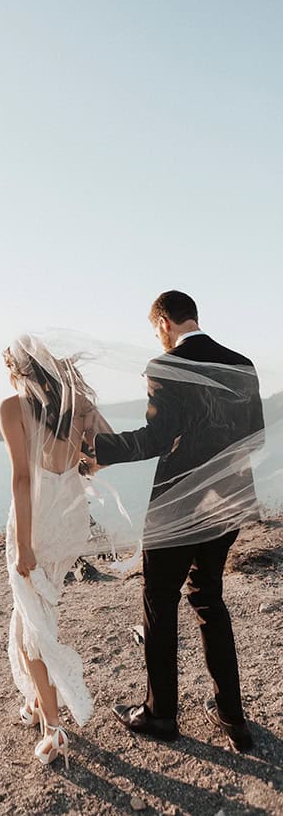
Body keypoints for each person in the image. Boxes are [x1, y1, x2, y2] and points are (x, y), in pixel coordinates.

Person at [90, 290, 264, 752]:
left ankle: (161, 714)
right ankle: (233, 717)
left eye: (155, 330)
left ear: (164, 322)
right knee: (209, 598)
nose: (157, 338)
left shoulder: (165, 366)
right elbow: (255, 439)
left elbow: (154, 439)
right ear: (195, 317)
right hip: (227, 504)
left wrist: (96, 450)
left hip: (177, 507)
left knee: (159, 600)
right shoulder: (242, 364)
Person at [0, 336, 111, 769]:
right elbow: (103, 455)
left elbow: (22, 481)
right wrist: (81, 463)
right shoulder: (77, 403)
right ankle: (35, 700)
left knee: (33, 624)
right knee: (32, 610)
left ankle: (53, 725)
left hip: (37, 523)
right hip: (70, 519)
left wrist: (24, 545)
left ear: (19, 370)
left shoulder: (12, 407)